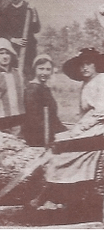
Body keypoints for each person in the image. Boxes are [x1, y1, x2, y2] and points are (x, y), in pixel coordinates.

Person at [34, 48, 104, 209]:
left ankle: (57, 195)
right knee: (60, 140)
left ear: (96, 64)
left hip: (100, 127)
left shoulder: (101, 80)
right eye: (82, 65)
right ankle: (54, 193)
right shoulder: (87, 83)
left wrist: (79, 130)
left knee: (66, 150)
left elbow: (100, 111)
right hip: (91, 125)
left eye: (89, 64)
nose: (85, 68)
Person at [0, 0, 41, 80]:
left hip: (29, 49)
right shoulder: (6, 11)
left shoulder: (29, 9)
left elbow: (36, 29)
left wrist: (33, 14)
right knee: (13, 75)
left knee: (29, 75)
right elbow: (0, 31)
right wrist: (13, 39)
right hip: (12, 49)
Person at [22, 54, 66, 147]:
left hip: (48, 133)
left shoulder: (44, 88)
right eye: (41, 69)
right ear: (35, 69)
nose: (44, 73)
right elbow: (34, 119)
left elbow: (52, 116)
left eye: (48, 69)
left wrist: (65, 132)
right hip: (37, 137)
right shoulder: (32, 89)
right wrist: (55, 134)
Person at [0, 38, 25, 120]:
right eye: (1, 53)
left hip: (19, 119)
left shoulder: (18, 74)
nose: (5, 56)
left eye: (7, 53)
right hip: (0, 121)